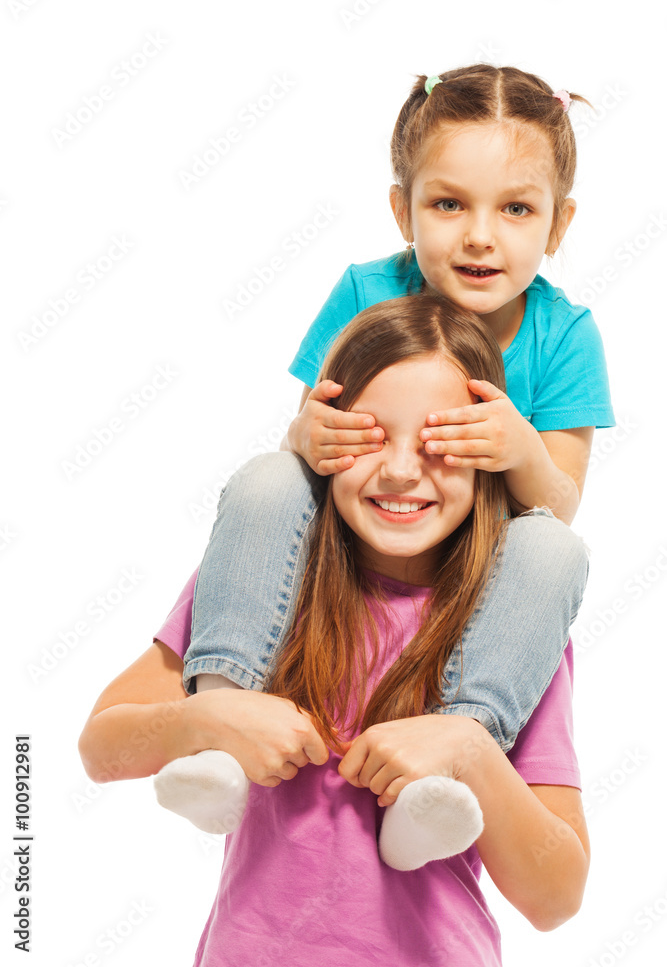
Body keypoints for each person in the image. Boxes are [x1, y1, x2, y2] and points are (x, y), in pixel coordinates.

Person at [150, 64, 613, 842]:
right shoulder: (368, 292)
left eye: (515, 210)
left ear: (557, 227)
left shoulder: (563, 333)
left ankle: (446, 769)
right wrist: (306, 435)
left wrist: (518, 448)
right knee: (267, 477)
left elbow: (559, 500)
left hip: (472, 557)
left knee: (554, 550)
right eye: (446, 203)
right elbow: (311, 433)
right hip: (359, 537)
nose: (478, 234)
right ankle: (219, 715)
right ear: (402, 209)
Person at [79, 295, 590, 966]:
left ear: (485, 458)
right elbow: (101, 750)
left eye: (439, 445)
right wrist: (207, 719)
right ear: (323, 439)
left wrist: (470, 753)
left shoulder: (510, 623)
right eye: (369, 437)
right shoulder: (257, 583)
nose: (402, 470)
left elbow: (555, 898)